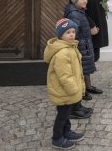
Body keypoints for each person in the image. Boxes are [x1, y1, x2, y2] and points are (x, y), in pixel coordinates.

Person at [44, 18, 85, 149]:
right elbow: (65, 76)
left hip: (66, 91)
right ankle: (57, 138)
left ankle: (66, 132)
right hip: (64, 91)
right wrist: (74, 89)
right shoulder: (62, 53)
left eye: (73, 31)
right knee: (62, 116)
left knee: (65, 114)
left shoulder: (71, 48)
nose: (72, 34)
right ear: (60, 35)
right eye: (68, 32)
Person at [71, 0, 109, 95]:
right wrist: (91, 25)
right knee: (86, 56)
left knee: (91, 56)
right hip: (87, 28)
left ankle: (86, 85)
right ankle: (83, 88)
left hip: (95, 25)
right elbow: (77, 8)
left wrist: (103, 6)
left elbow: (92, 1)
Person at [65, 0, 96, 102]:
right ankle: (81, 92)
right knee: (79, 71)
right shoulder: (74, 14)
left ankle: (87, 87)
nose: (85, 1)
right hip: (80, 47)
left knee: (85, 69)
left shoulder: (80, 12)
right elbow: (73, 34)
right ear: (75, 0)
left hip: (85, 45)